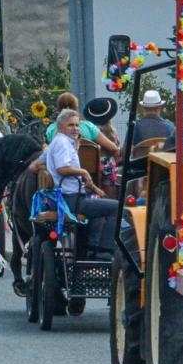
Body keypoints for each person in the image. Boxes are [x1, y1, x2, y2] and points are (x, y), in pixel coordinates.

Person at [43, 108, 118, 254]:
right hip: (71, 200)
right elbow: (62, 168)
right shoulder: (62, 143)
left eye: (77, 125)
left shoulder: (63, 142)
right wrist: (83, 171)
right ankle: (104, 252)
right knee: (118, 208)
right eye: (70, 125)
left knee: (99, 205)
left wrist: (94, 188)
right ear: (60, 127)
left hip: (71, 197)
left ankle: (89, 249)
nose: (75, 128)